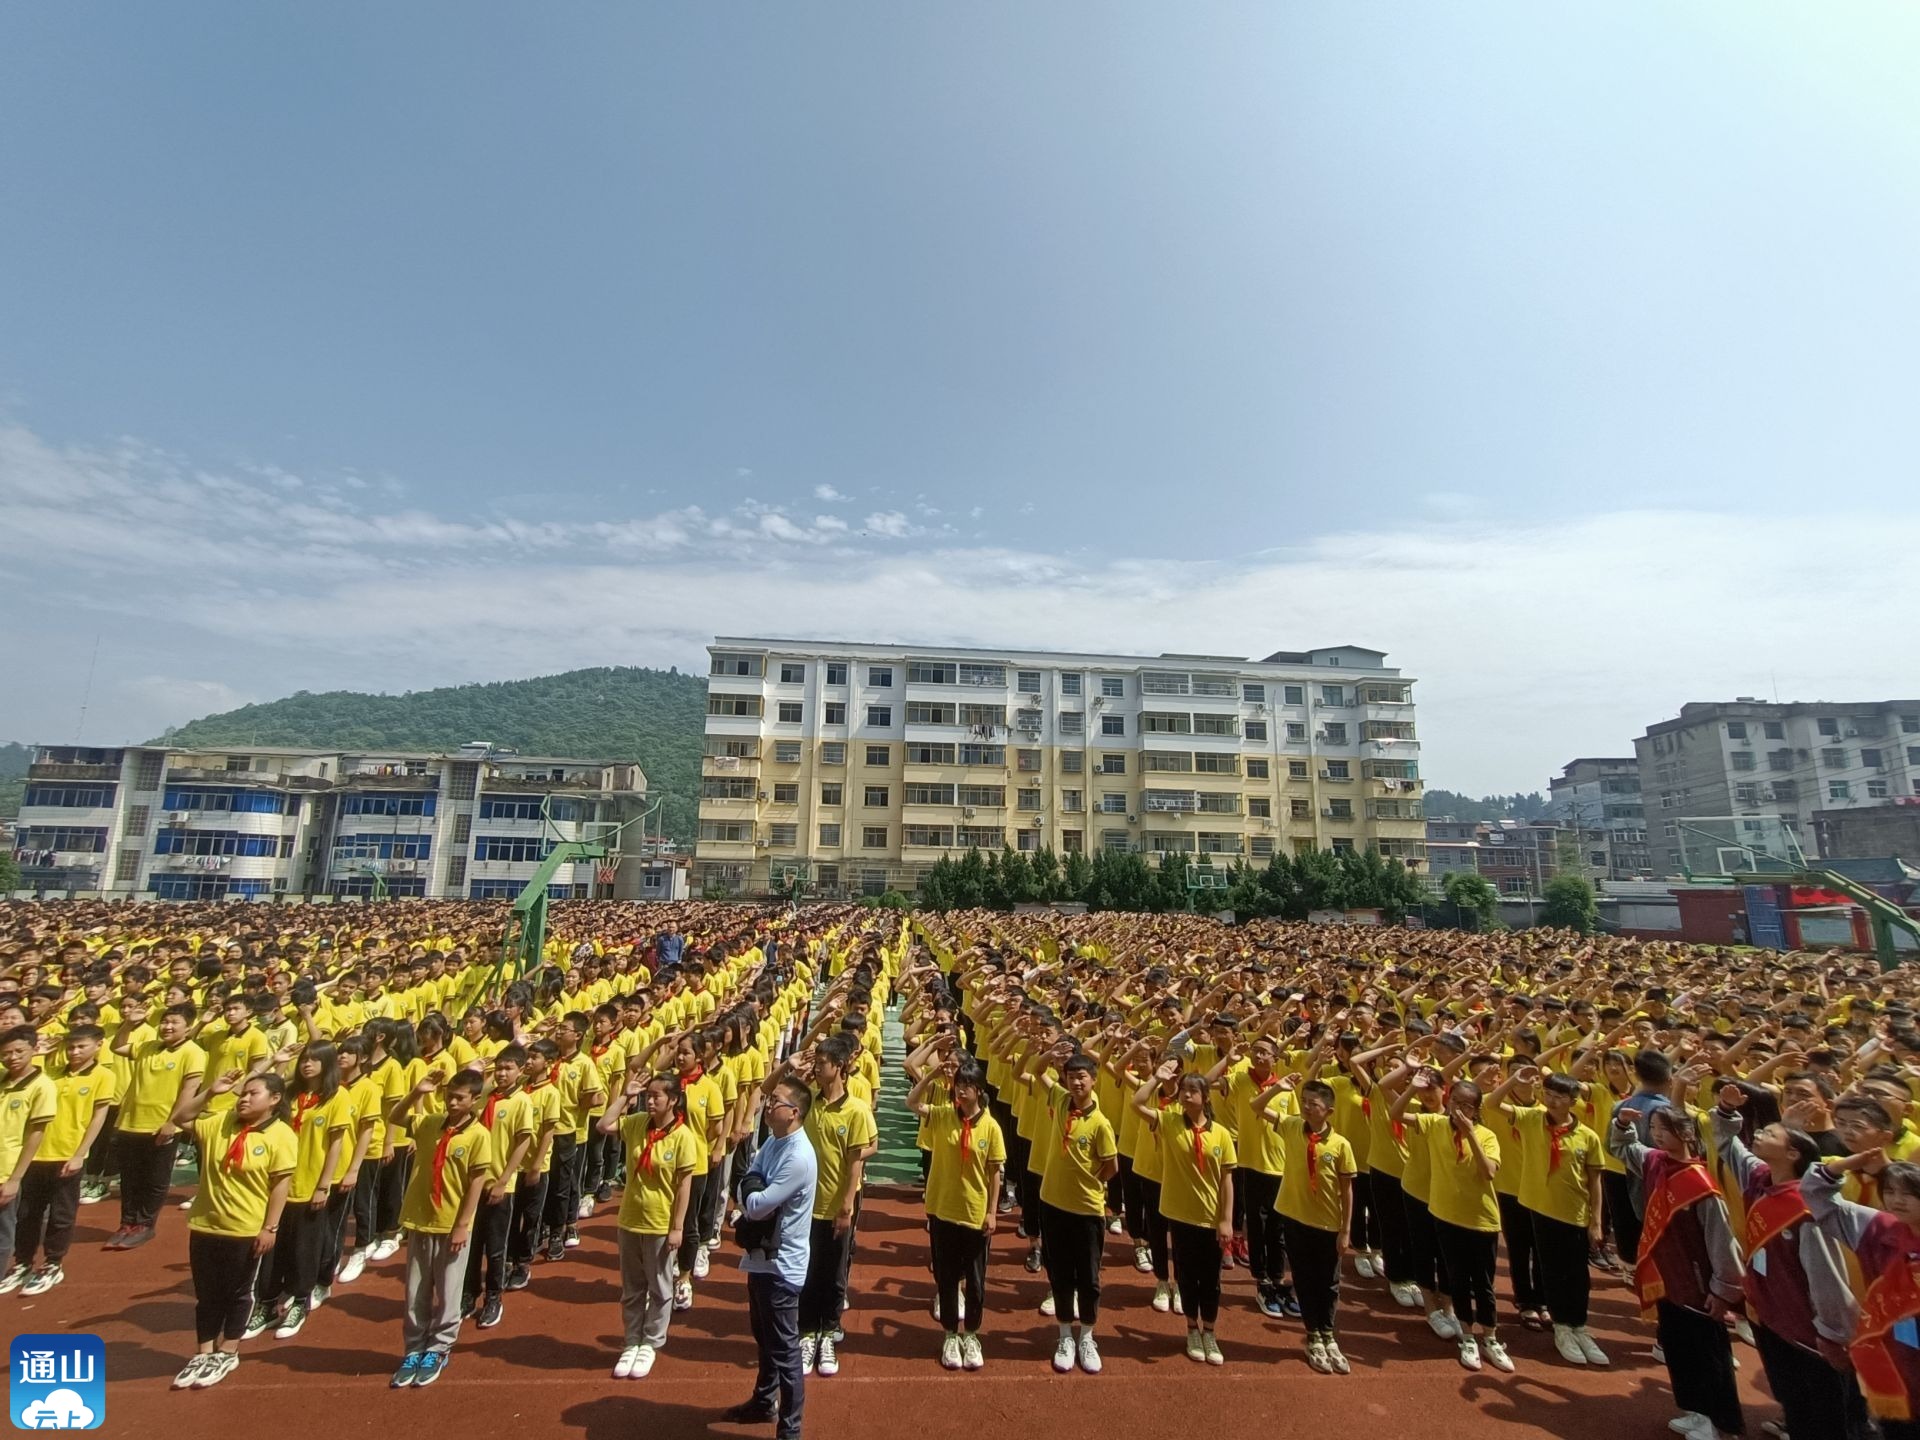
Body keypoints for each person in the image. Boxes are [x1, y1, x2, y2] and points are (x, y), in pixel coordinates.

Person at [1711, 1087, 1856, 1440]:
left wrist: (1833, 1333)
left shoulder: (1807, 1208)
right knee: (1791, 1397)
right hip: (1769, 1312)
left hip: (1807, 1326)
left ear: (1793, 1153)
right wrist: (1727, 1111)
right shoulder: (1761, 1178)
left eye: (1770, 1133)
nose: (1759, 1133)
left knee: (1823, 1410)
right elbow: (1730, 1146)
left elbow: (1826, 1278)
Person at [1610, 1103, 1746, 1440]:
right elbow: (1623, 1148)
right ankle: (1694, 1410)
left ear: (1685, 1134)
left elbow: (1721, 1242)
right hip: (1667, 1279)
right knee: (1678, 1347)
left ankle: (1718, 1421)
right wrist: (1622, 1125)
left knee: (1708, 1354)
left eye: (1663, 1129)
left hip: (1697, 1286)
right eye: (1653, 1128)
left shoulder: (1701, 1185)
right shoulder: (1656, 1162)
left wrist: (1722, 1289)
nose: (1655, 1135)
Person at [168, 1069, 296, 1391]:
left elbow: (280, 1184)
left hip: (246, 1229)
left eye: (254, 1094)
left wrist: (271, 1227)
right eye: (242, 1093)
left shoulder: (281, 1135)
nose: (244, 1098)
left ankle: (228, 1349)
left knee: (238, 1292)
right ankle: (203, 1352)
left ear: (275, 1099)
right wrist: (211, 1092)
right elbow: (180, 1117)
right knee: (206, 1293)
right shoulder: (219, 1122)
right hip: (206, 1224)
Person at [722, 1074, 818, 1440]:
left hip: (782, 1265)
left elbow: (759, 1205)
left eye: (775, 1101)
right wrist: (751, 1186)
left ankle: (789, 1430)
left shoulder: (799, 1156)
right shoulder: (774, 1142)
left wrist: (750, 1190)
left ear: (793, 1112)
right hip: (762, 1259)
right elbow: (751, 1175)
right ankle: (764, 1402)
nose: (767, 1106)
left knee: (785, 1350)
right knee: (764, 1337)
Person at [388, 1069, 494, 1389]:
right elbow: (395, 1116)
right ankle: (414, 1347)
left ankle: (439, 1346)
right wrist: (417, 1092)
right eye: (449, 1095)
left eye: (459, 1097)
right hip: (421, 1219)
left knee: (448, 1289)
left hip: (451, 1224)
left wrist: (463, 1225)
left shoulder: (478, 1136)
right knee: (416, 1290)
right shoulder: (431, 1123)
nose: (452, 1101)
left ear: (475, 1100)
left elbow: (476, 1182)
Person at [1135, 1060, 1236, 1365]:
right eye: (1184, 1090)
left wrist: (1226, 1220)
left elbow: (1226, 1180)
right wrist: (1157, 1077)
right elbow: (1137, 1103)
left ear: (1206, 1098)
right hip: (1179, 1215)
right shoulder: (1168, 1122)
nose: (1186, 1094)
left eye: (1194, 1090)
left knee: (1212, 1280)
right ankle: (1192, 1328)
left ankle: (1210, 1331)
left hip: (1210, 1218)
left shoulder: (1220, 1135)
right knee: (1187, 1275)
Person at [908, 1051, 1003, 1370]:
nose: (960, 1091)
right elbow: (912, 1103)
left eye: (967, 1086)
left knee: (976, 1281)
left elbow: (994, 1173)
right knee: (946, 1278)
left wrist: (992, 1212)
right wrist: (932, 1077)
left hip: (975, 1213)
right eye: (958, 1085)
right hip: (942, 1209)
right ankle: (950, 1333)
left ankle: (971, 1334)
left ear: (978, 1089)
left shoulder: (991, 1128)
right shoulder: (943, 1114)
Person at [600, 1066, 696, 1379]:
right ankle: (631, 1340)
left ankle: (651, 1343)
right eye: (648, 1095)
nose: (650, 1102)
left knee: (659, 1286)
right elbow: (604, 1124)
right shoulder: (638, 1123)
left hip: (659, 1222)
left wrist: (677, 1227)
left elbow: (683, 1186)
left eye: (656, 1096)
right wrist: (625, 1097)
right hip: (630, 1219)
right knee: (632, 1287)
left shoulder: (683, 1137)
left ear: (673, 1100)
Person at [1032, 1043, 1118, 1374]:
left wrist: (1090, 1181)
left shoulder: (1100, 1123)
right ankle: (1065, 1334)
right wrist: (1053, 1051)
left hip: (1087, 1209)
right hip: (1052, 1203)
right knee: (1060, 1273)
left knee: (1089, 1277)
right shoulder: (1059, 1099)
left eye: (1081, 1077)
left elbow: (1110, 1165)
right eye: (1070, 1077)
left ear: (1093, 1079)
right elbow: (1038, 1071)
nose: (1076, 1083)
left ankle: (1088, 1336)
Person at [10, 1022, 113, 1296]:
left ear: (97, 1046)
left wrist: (80, 1154)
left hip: (67, 1156)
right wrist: (40, 1052)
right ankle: (22, 1262)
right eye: (71, 1047)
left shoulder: (103, 1076)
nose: (75, 1052)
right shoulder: (52, 1073)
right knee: (28, 1214)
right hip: (36, 1156)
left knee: (61, 1215)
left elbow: (98, 1117)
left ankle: (53, 1263)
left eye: (81, 1047)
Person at [1265, 1076, 1357, 1373]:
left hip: (1328, 1224)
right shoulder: (1292, 1126)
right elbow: (1257, 1107)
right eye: (1304, 1102)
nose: (1306, 1108)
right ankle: (1313, 1335)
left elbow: (1347, 1190)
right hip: (1295, 1217)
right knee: (1303, 1278)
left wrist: (1345, 1230)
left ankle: (1329, 1334)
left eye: (1313, 1104)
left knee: (1328, 1282)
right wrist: (1277, 1089)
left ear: (1329, 1110)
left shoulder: (1341, 1145)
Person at [109, 1001, 205, 1249]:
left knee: (155, 1178)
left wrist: (172, 1123)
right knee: (130, 1177)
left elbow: (189, 1089)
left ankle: (145, 1223)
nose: (168, 1026)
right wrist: (129, 1023)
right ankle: (127, 1222)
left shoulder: (192, 1052)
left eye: (174, 1023)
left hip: (159, 1125)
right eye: (165, 1021)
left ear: (188, 1027)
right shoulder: (148, 1046)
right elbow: (117, 1046)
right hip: (131, 1122)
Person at [463, 1042, 535, 1329]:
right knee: (471, 1244)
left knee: (495, 1246)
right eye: (499, 1068)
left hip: (498, 1183)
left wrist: (504, 1180)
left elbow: (523, 1141)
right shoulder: (484, 1098)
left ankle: (493, 1297)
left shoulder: (521, 1101)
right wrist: (477, 1073)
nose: (502, 1073)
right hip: (472, 1184)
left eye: (508, 1068)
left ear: (520, 1070)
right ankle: (469, 1293)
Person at [0, 1025, 57, 1291]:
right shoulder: (3, 1078)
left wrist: (15, 1179)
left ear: (34, 1050)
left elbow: (36, 1134)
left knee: (3, 1229)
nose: (12, 1057)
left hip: (7, 1170)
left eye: (19, 1051)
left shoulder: (42, 1086)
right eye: (6, 1053)